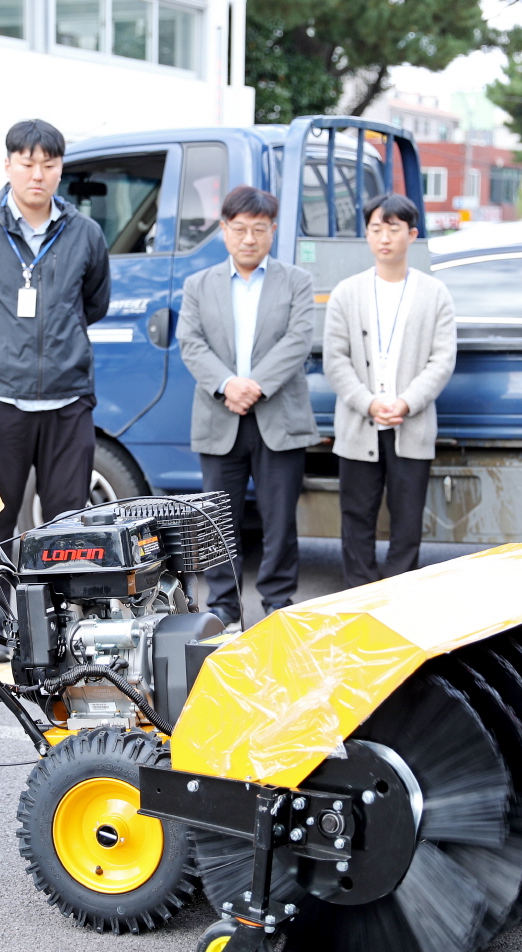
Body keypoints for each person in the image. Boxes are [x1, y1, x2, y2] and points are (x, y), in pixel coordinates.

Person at [0, 119, 111, 661]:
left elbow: (95, 304)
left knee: (68, 523)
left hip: (68, 399)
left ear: (61, 169)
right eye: (27, 162)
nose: (38, 174)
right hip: (1, 398)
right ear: (8, 164)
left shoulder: (85, 234)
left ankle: (64, 630)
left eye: (50, 164)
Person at [179, 185, 318, 628]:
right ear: (224, 230)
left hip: (279, 415)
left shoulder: (296, 281)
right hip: (221, 415)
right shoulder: (199, 285)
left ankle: (278, 602)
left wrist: (255, 385)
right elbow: (191, 342)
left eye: (259, 229)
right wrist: (227, 384)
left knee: (280, 519)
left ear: (273, 231)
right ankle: (225, 607)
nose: (249, 238)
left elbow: (299, 339)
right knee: (219, 518)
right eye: (239, 229)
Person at [324, 193, 456, 588]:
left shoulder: (435, 294)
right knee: (356, 517)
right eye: (376, 228)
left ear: (412, 234)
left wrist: (405, 402)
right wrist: (369, 403)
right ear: (366, 235)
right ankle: (358, 594)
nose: (384, 238)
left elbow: (442, 359)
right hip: (358, 425)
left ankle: (400, 597)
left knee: (408, 520)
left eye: (393, 228)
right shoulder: (346, 292)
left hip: (409, 424)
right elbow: (336, 359)